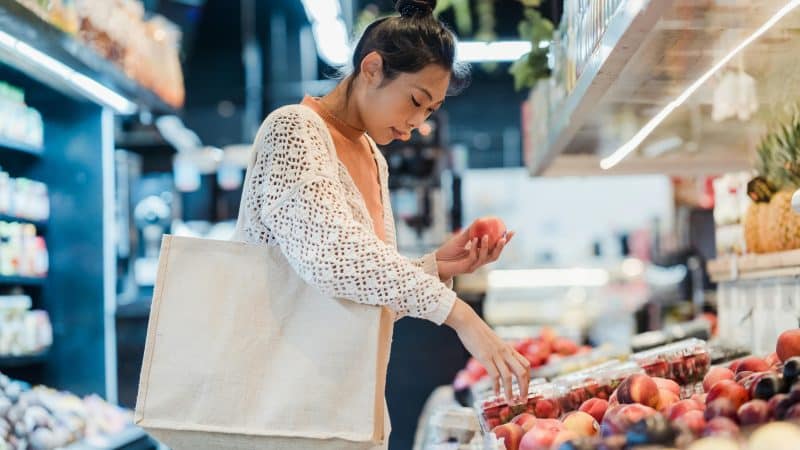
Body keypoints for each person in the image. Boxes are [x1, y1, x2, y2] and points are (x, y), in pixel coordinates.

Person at [233, 0, 530, 444]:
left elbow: (361, 293)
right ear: (371, 68)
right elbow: (331, 258)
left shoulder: (373, 157)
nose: (416, 123)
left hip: (343, 406)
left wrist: (437, 266)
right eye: (415, 100)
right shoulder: (294, 130)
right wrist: (460, 315)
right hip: (275, 410)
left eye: (430, 110)